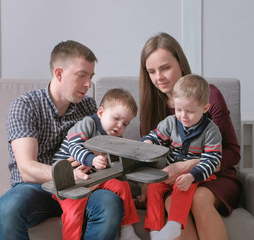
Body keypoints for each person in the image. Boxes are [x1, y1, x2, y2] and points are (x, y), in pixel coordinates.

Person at [0, 40, 125, 240]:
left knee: (110, 202)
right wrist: (68, 175)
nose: (88, 84)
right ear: (59, 73)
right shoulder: (25, 106)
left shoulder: (88, 106)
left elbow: (104, 147)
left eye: (90, 77)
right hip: (36, 189)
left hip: (83, 187)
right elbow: (27, 168)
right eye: (82, 75)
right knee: (9, 207)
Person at [138, 32, 242, 240]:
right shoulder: (153, 107)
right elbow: (149, 154)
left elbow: (232, 153)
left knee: (198, 199)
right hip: (176, 181)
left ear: (181, 64)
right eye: (152, 71)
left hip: (216, 176)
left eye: (165, 68)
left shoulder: (209, 95)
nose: (159, 77)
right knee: (172, 203)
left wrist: (189, 165)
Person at [52, 88, 140, 240]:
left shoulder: (116, 138)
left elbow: (115, 164)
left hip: (95, 179)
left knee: (122, 186)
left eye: (125, 123)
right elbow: (74, 146)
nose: (120, 126)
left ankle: (127, 230)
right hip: (70, 181)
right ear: (101, 113)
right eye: (116, 118)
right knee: (73, 213)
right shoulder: (87, 124)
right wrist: (91, 159)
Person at [141, 74, 222, 240]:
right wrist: (148, 143)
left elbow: (212, 160)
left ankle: (174, 225)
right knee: (153, 188)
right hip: (172, 173)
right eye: (179, 110)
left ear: (205, 108)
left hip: (199, 174)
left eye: (190, 111)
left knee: (181, 187)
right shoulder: (171, 122)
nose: (183, 116)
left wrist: (191, 176)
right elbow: (155, 136)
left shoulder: (211, 130)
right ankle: (155, 231)